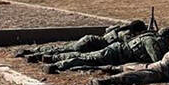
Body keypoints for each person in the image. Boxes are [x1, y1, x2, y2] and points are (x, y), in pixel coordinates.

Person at [44, 27, 169, 74]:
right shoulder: (151, 41)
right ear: (166, 38)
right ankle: (56, 63)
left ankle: (55, 58)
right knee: (88, 58)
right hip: (115, 54)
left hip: (116, 52)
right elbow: (157, 60)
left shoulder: (150, 38)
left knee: (88, 58)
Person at [14, 19, 147, 62]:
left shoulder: (118, 29)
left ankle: (32, 52)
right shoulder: (126, 35)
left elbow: (108, 30)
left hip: (89, 39)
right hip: (93, 45)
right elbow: (130, 44)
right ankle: (38, 56)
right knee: (73, 54)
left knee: (63, 47)